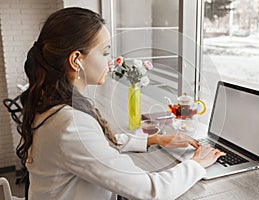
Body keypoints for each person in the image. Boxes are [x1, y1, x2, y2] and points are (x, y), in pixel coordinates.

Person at [18, 7, 225, 200]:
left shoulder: (52, 104)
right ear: (76, 60)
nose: (110, 61)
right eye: (105, 52)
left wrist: (154, 140)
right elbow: (151, 190)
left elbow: (96, 145)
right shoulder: (70, 123)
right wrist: (197, 164)